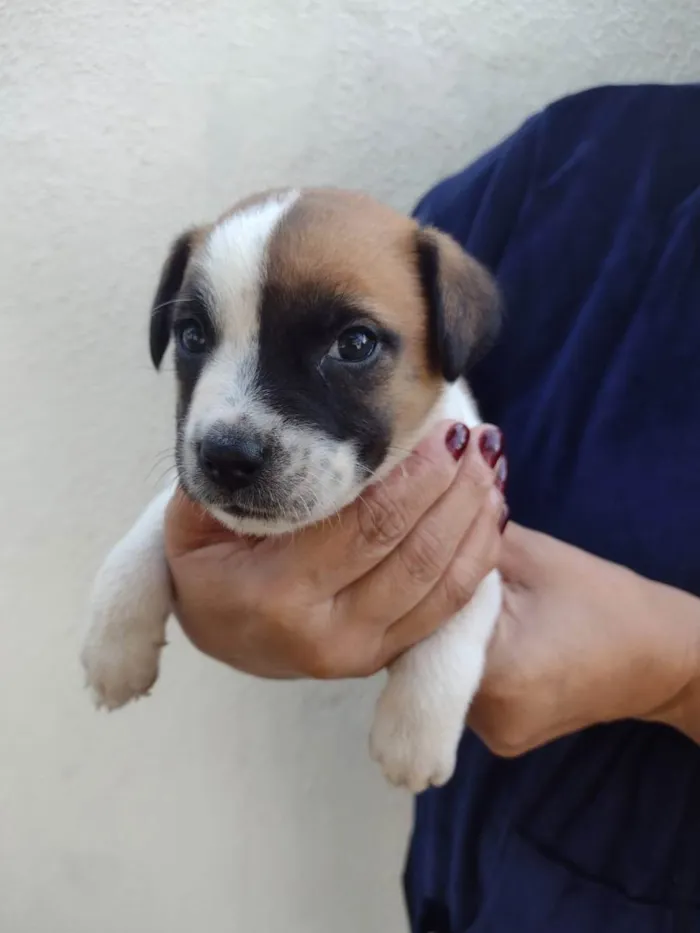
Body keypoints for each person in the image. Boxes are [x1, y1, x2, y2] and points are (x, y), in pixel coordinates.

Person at [164, 85, 700, 931]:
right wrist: (215, 594)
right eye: (191, 336)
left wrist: (681, 673)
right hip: (470, 878)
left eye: (351, 347)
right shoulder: (572, 162)